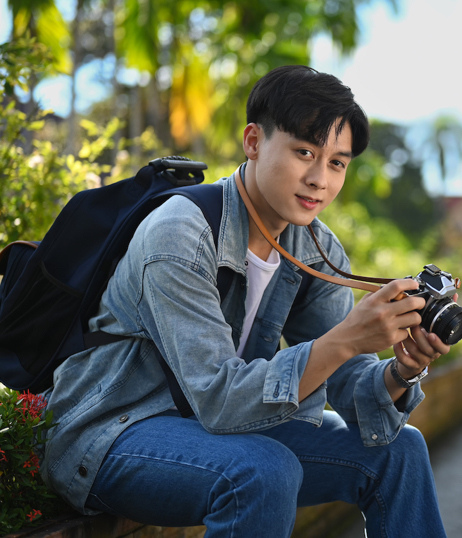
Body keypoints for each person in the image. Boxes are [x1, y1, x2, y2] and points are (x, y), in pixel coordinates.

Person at [39, 65, 450, 537]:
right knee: (264, 470)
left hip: (213, 430)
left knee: (398, 449)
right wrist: (346, 338)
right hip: (112, 432)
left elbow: (349, 386)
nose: (319, 179)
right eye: (303, 152)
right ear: (253, 142)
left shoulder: (315, 248)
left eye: (337, 162)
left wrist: (402, 369)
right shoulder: (181, 231)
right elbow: (220, 397)